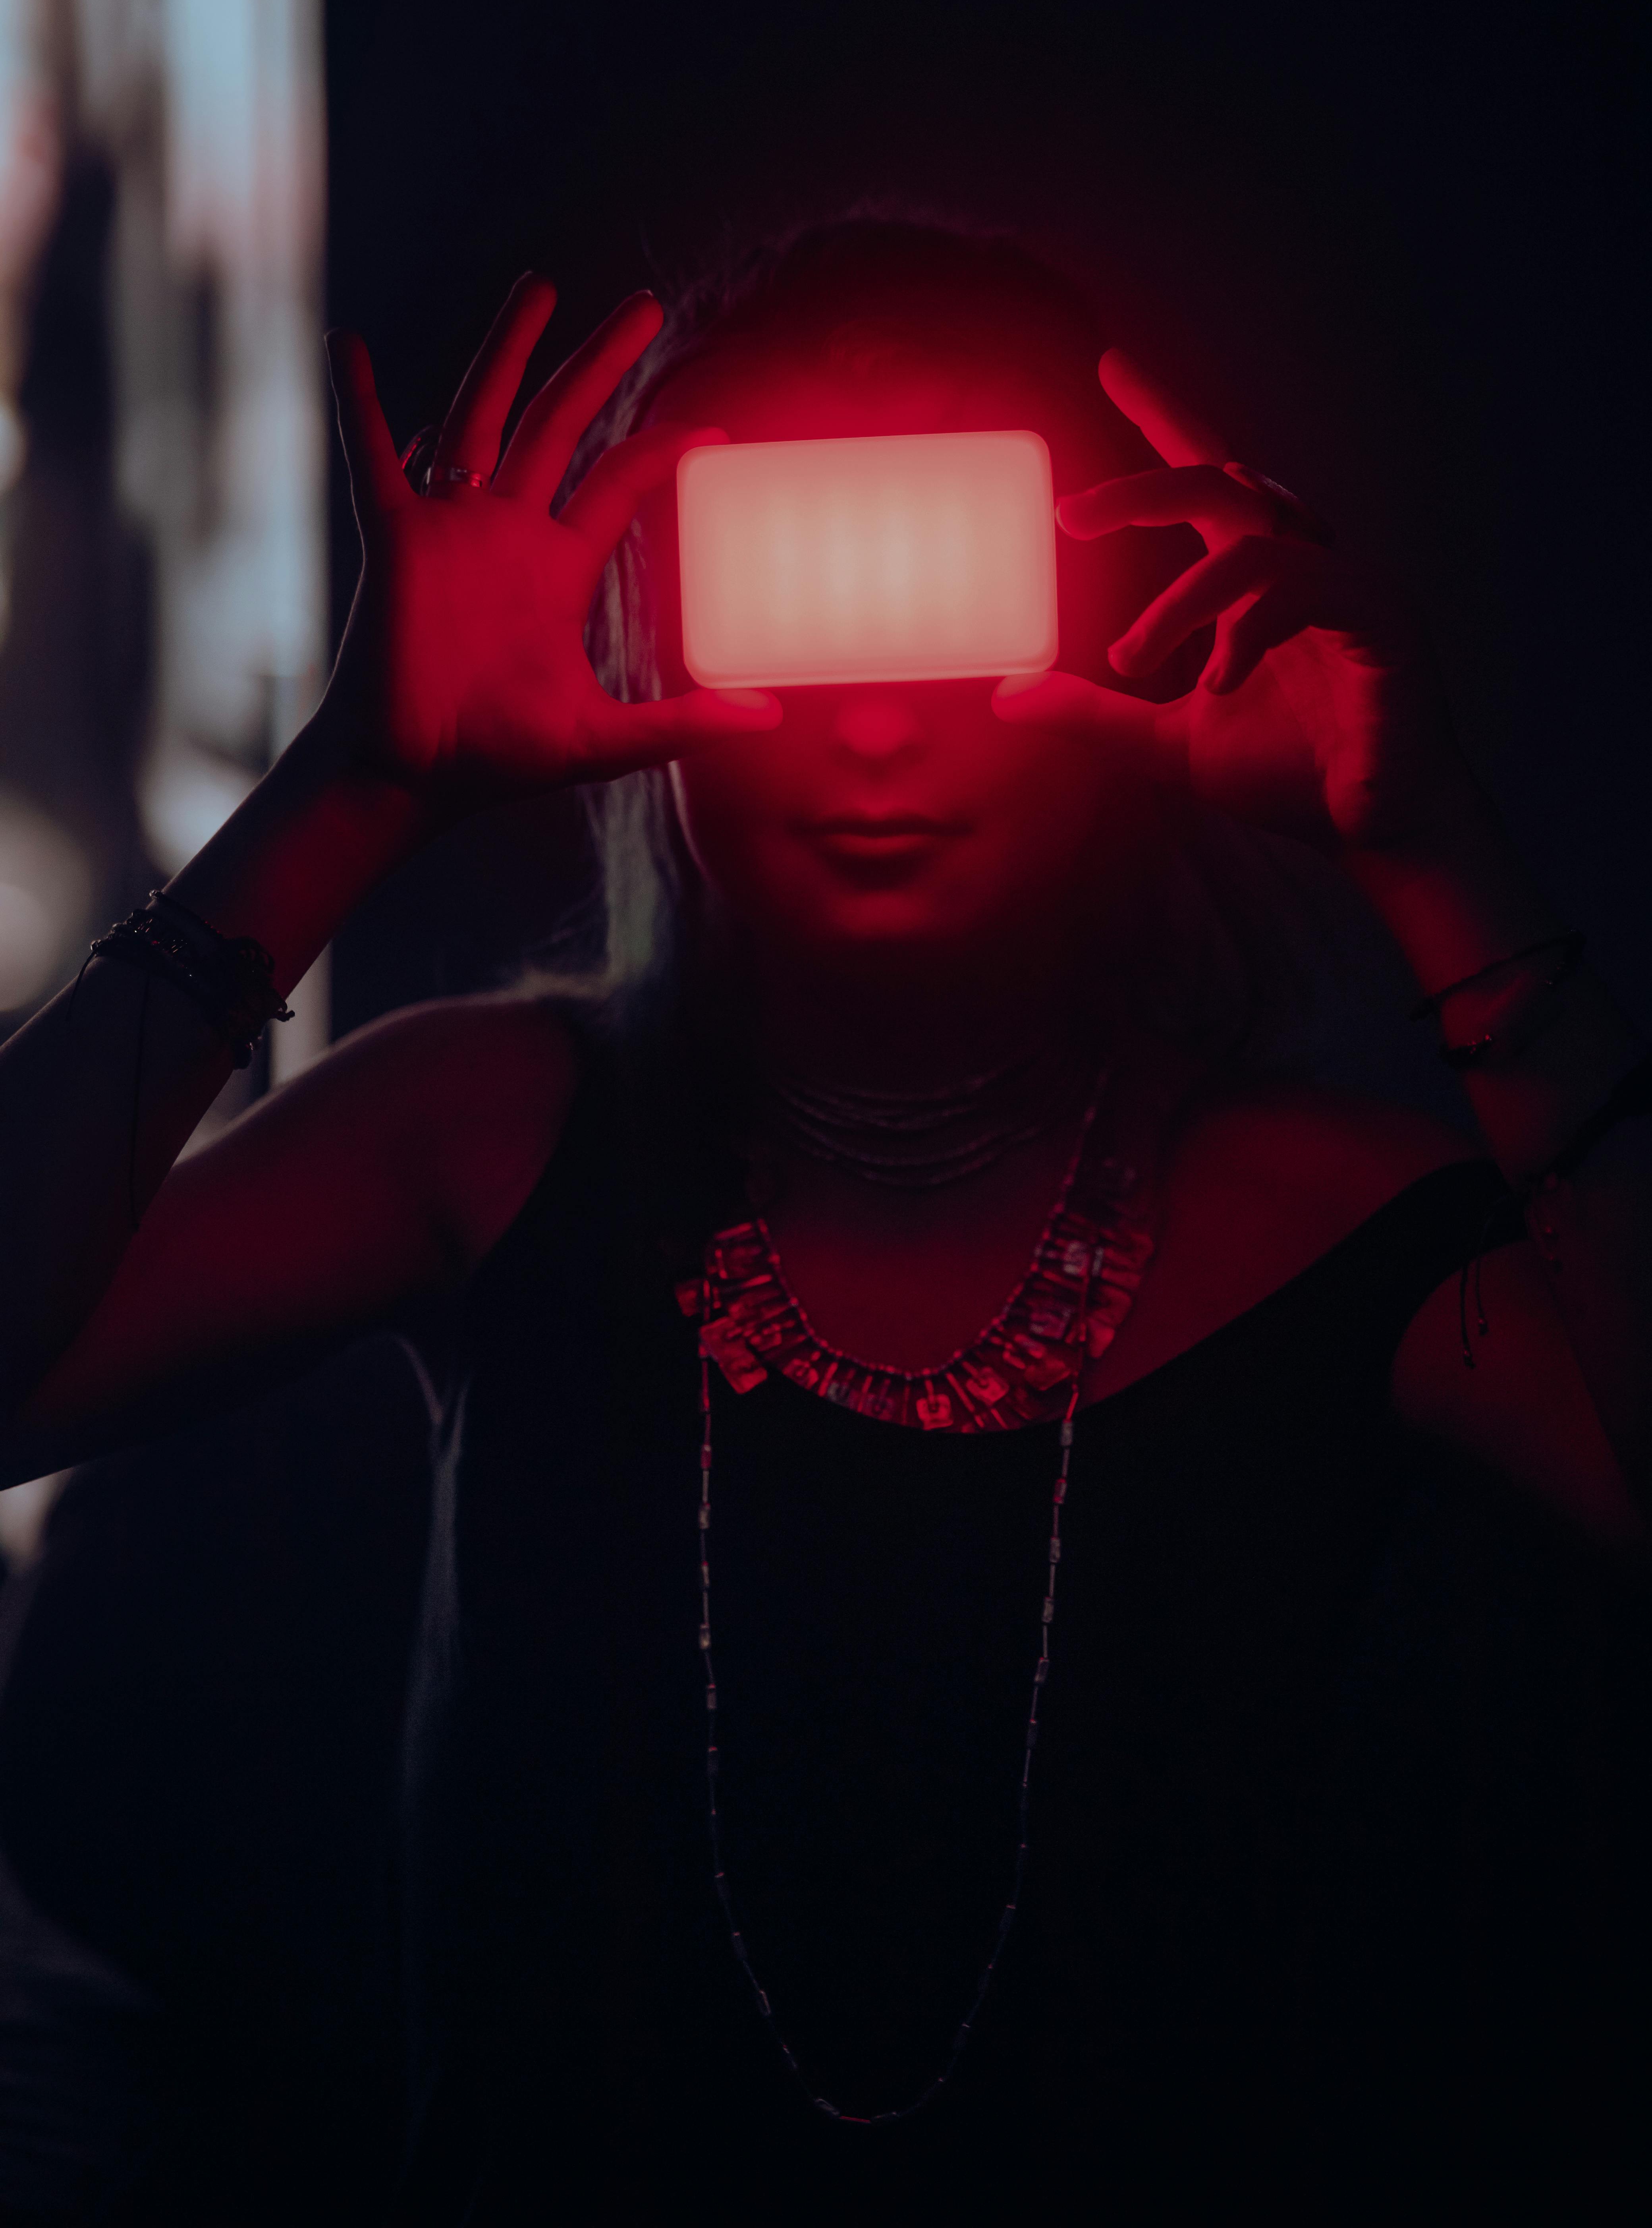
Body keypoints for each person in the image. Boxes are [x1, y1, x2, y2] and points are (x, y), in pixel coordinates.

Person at [1, 219, 1646, 2218]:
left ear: (1126, 614)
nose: (876, 722)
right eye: (784, 593)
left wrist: (1430, 852)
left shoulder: (1333, 1217)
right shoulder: (489, 1127)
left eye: (950, 586)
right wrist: (353, 784)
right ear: (652, 636)